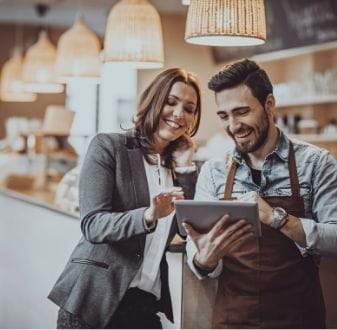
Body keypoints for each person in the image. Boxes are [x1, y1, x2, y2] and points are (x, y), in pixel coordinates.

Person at [183, 58, 337, 329]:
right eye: (224, 116)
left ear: (269, 104)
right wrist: (202, 260)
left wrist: (277, 218)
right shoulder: (213, 171)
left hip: (298, 318)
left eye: (242, 112)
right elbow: (198, 253)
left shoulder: (316, 163)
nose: (233, 126)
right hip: (233, 319)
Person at [48, 68, 202, 329]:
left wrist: (185, 167)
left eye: (189, 108)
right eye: (171, 102)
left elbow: (187, 230)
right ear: (154, 100)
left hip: (144, 306)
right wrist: (148, 216)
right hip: (93, 303)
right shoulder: (109, 147)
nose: (179, 114)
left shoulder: (180, 168)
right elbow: (93, 225)